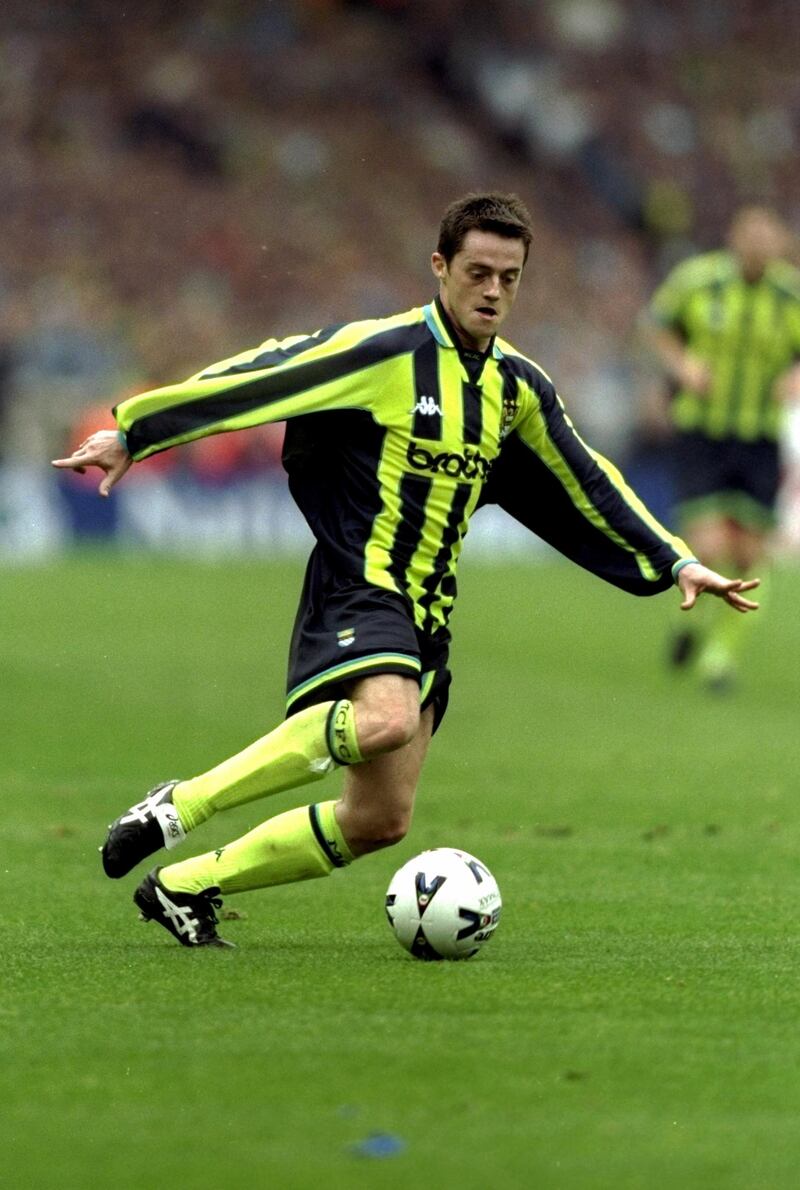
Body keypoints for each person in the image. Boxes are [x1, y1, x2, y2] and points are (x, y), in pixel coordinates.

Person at [53, 192, 759, 949]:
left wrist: (675, 559)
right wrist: (136, 429)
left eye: (510, 277)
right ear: (440, 266)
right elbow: (265, 376)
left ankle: (188, 887)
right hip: (360, 580)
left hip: (428, 608)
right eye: (479, 271)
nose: (493, 291)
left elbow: (585, 476)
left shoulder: (518, 386)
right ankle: (179, 806)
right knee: (385, 722)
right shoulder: (384, 352)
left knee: (378, 821)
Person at [641, 206, 800, 691]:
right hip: (703, 434)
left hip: (759, 438)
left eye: (766, 236)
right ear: (734, 236)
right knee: (709, 545)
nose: (757, 244)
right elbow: (656, 325)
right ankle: (691, 626)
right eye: (749, 233)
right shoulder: (698, 280)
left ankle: (718, 654)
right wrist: (683, 366)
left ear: (780, 243)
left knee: (751, 555)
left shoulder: (790, 293)